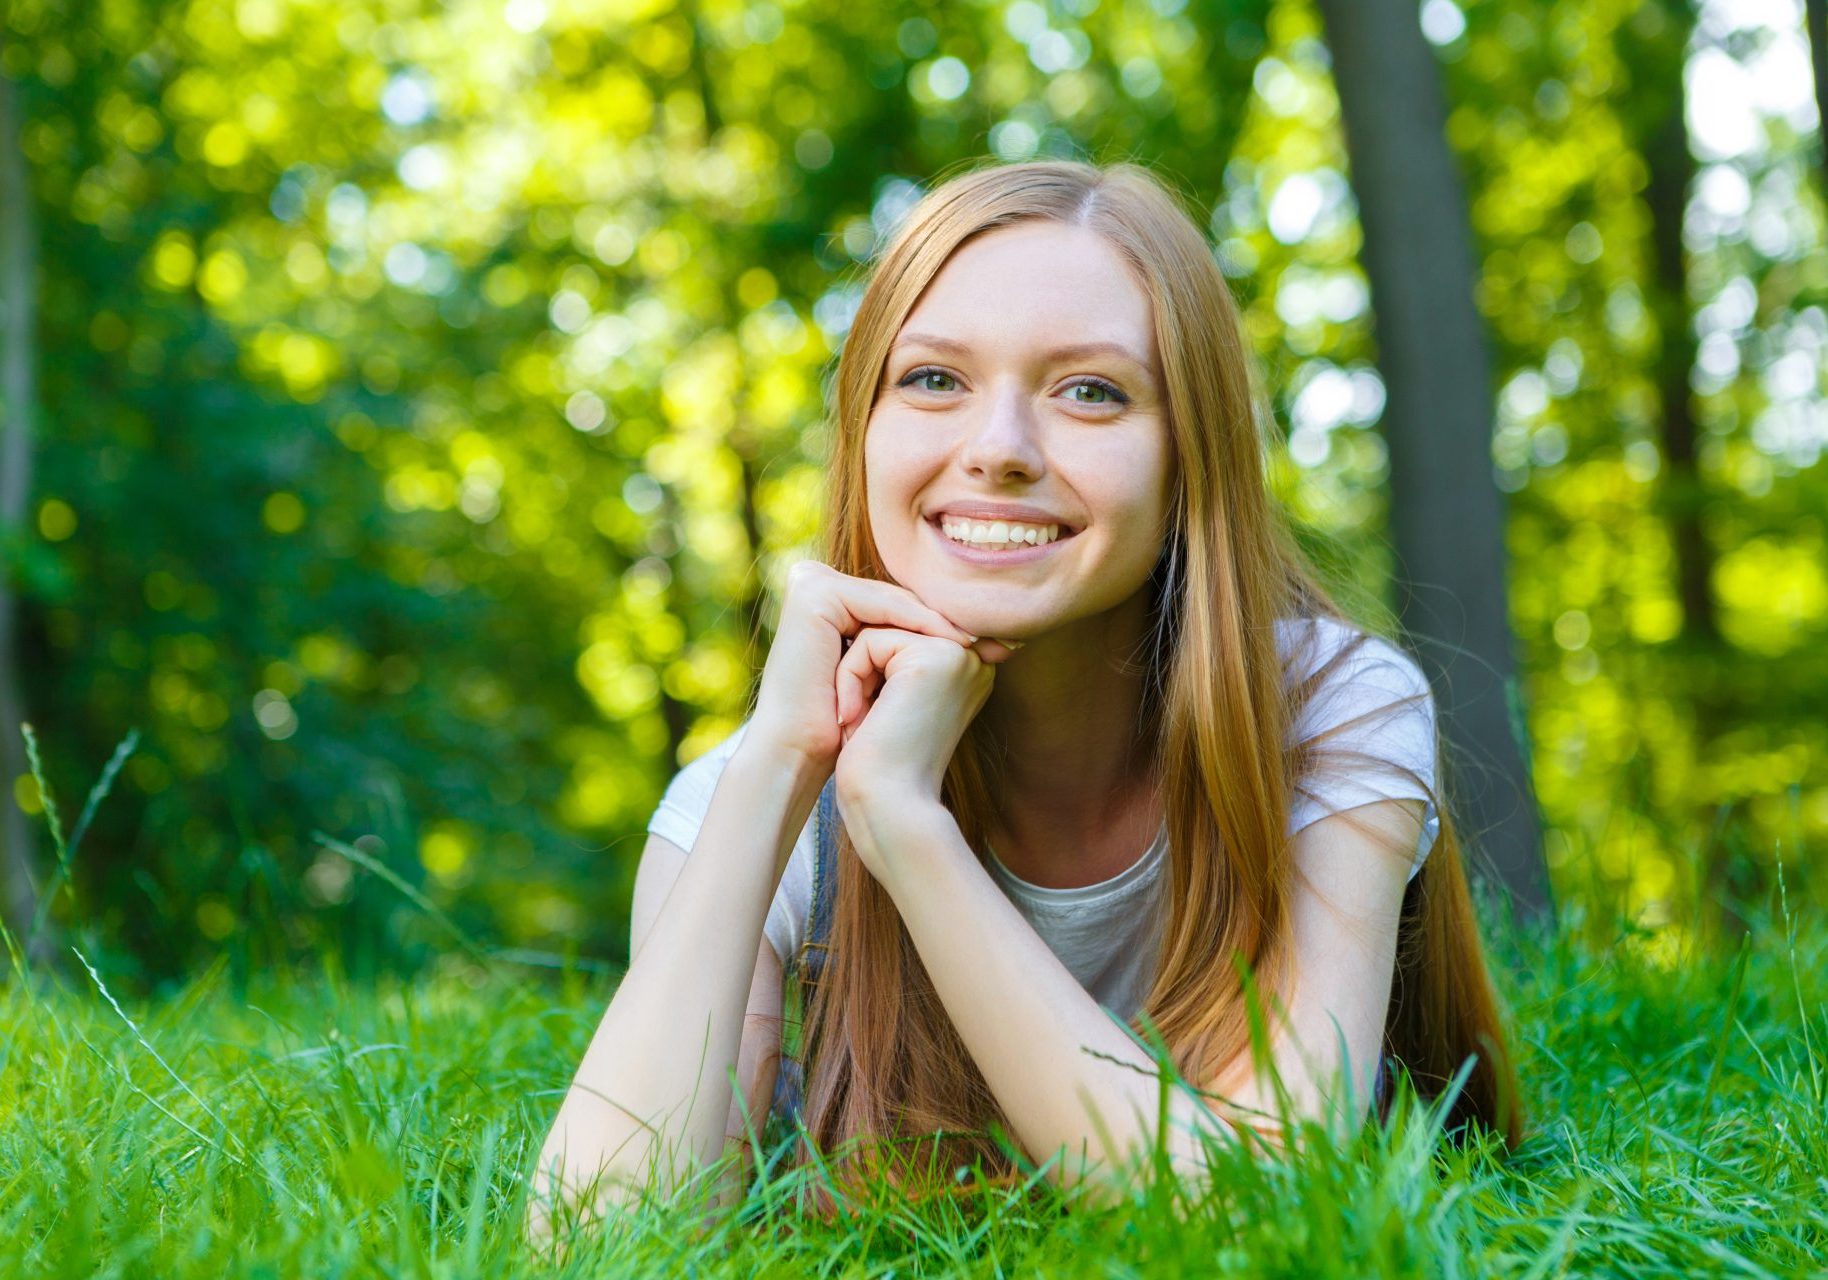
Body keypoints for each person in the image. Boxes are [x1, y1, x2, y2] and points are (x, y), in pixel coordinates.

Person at [526, 157, 1522, 1241]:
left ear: (1191, 455)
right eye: (932, 380)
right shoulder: (753, 797)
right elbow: (601, 1239)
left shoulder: (1323, 714)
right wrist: (778, 763)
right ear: (863, 431)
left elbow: (1260, 1213)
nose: (998, 450)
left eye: (1090, 391)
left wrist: (904, 825)